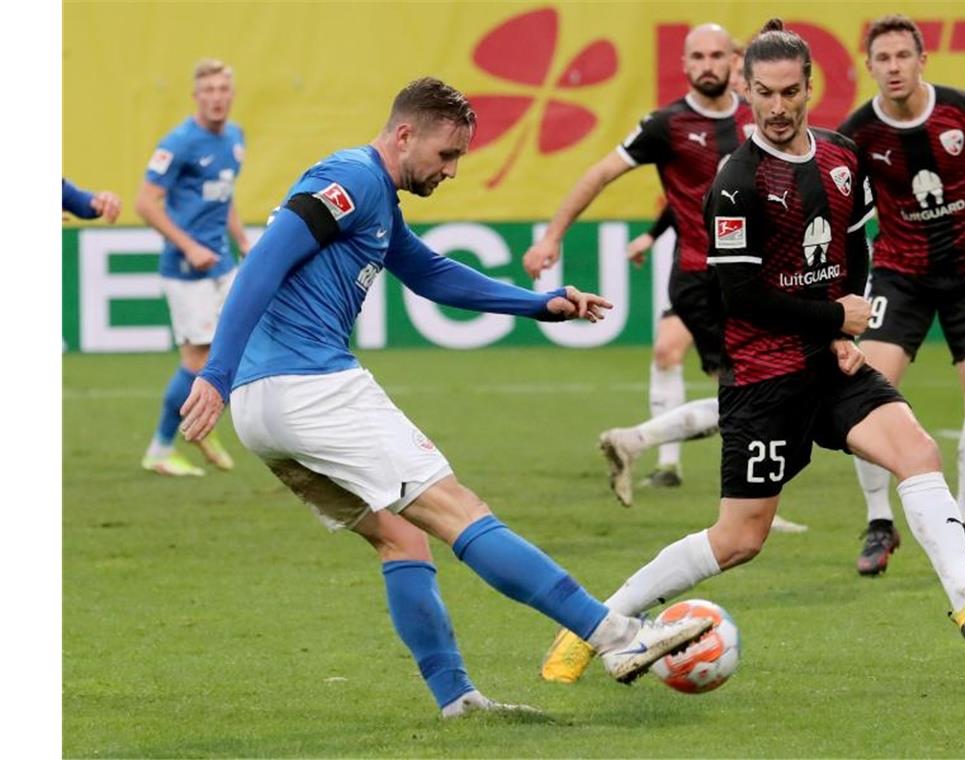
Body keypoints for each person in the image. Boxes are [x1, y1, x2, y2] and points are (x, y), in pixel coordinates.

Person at [538, 20, 965, 685]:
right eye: (765, 94)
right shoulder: (736, 181)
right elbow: (741, 295)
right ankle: (594, 623)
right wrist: (835, 315)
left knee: (918, 451)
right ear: (746, 90)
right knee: (739, 539)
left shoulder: (842, 159)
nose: (778, 109)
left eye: (790, 92)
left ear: (810, 86)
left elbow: (857, 245)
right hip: (763, 380)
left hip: (828, 365)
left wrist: (845, 333)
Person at [177, 77, 713, 716]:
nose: (452, 171)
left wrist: (539, 303)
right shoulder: (351, 178)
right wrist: (214, 370)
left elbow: (431, 273)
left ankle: (457, 701)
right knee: (461, 509)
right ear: (405, 135)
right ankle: (618, 637)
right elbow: (265, 259)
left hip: (263, 410)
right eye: (447, 155)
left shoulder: (378, 199)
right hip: (309, 386)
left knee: (403, 540)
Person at [524, 23, 750, 494]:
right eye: (698, 57)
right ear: (685, 65)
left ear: (734, 60)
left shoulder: (757, 121)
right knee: (750, 390)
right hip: (701, 281)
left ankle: (641, 444)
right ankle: (675, 463)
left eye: (717, 55)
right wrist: (552, 237)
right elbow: (600, 173)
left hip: (755, 276)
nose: (708, 65)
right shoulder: (666, 124)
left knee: (753, 393)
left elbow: (713, 193)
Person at [837, 15, 965, 576]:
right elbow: (847, 210)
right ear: (869, 66)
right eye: (882, 58)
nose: (893, 67)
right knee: (864, 388)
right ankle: (879, 520)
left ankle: (962, 523)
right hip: (900, 274)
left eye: (902, 57)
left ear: (922, 61)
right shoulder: (858, 133)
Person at [136, 59, 251, 477]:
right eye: (209, 90)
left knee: (237, 344)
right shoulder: (180, 142)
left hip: (222, 261)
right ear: (196, 96)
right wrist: (189, 245)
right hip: (187, 269)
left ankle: (201, 425)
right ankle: (161, 448)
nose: (217, 97)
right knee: (197, 359)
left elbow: (224, 197)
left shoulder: (235, 137)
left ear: (232, 94)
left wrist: (241, 242)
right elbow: (145, 203)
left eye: (223, 89)